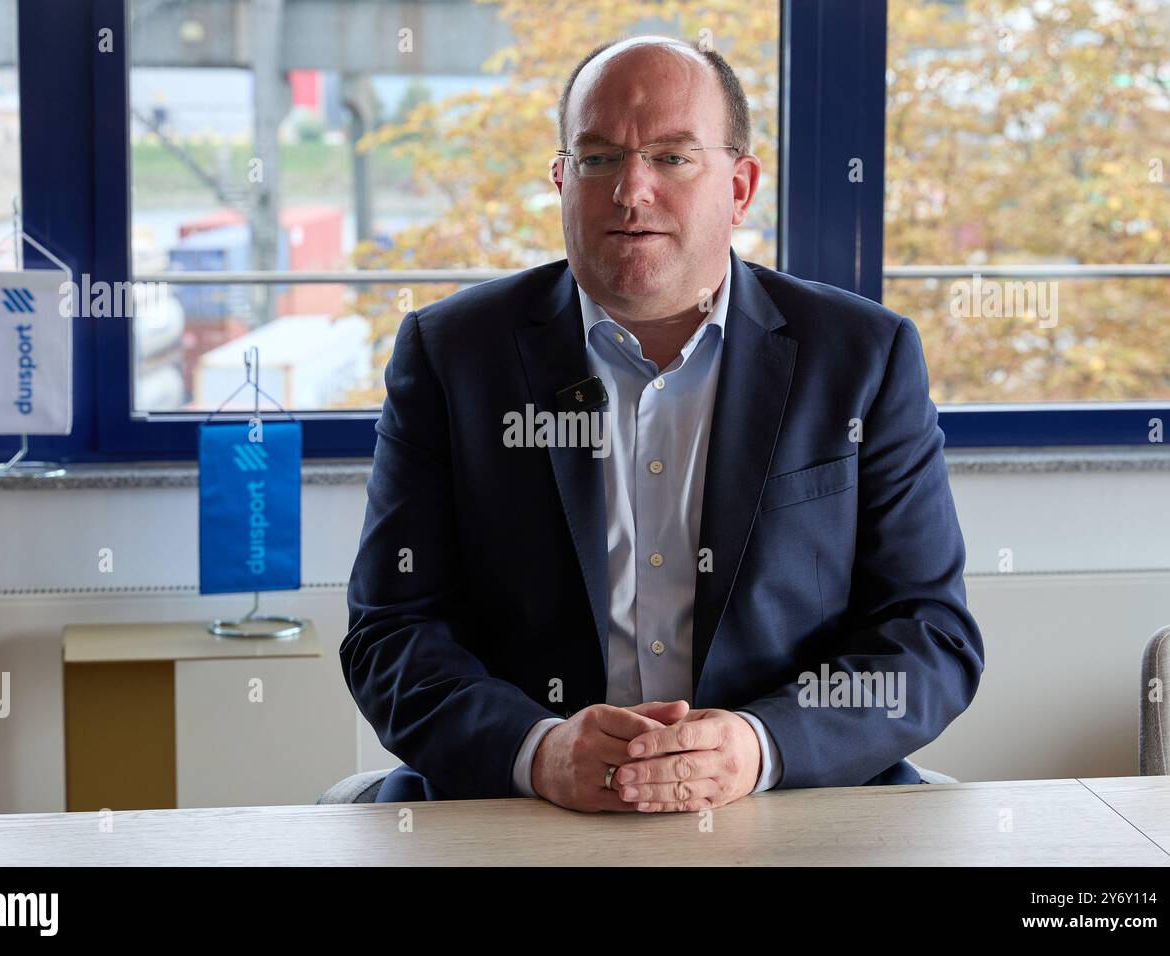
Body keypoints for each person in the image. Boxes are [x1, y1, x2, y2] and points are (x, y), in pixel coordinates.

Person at [341, 35, 983, 813]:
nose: (631, 191)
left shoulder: (862, 358)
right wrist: (538, 753)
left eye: (673, 158)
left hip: (784, 804)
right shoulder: (452, 355)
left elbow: (931, 637)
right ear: (561, 180)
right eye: (599, 158)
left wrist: (758, 746)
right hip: (517, 808)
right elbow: (392, 634)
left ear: (740, 188)